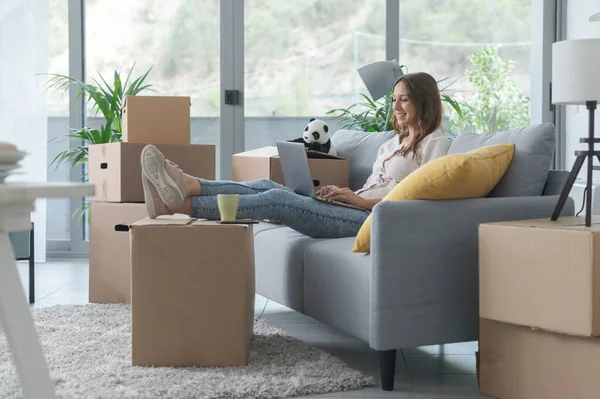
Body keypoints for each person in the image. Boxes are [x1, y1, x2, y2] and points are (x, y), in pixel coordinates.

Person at [140, 72, 451, 239]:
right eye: (394, 99)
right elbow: (376, 186)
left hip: (372, 220)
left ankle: (179, 204)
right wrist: (343, 194)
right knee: (266, 183)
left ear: (423, 102)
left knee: (279, 200)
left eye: (405, 100)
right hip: (356, 208)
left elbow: (419, 199)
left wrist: (360, 202)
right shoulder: (391, 143)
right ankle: (190, 184)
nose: (396, 107)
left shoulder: (435, 143)